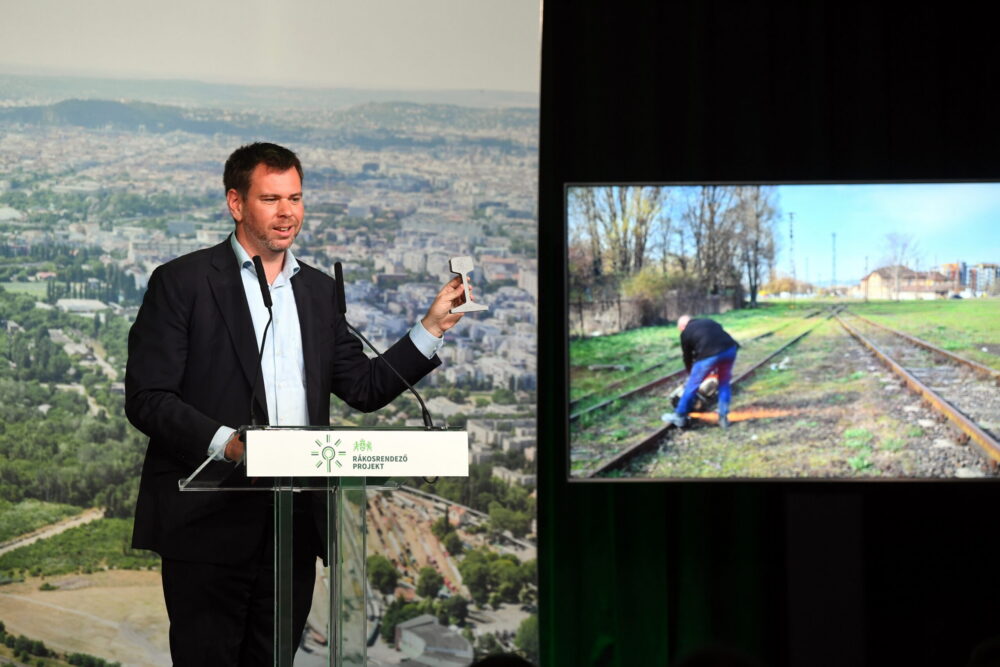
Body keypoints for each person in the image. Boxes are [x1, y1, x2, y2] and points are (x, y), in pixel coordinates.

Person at [124, 142, 468, 666]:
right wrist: (231, 445)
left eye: (296, 198)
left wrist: (432, 328)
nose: (288, 212)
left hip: (292, 528)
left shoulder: (318, 293)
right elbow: (148, 399)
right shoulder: (182, 283)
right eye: (271, 198)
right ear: (236, 204)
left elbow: (365, 388)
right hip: (208, 528)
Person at [661, 314, 738, 429]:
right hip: (729, 350)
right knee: (724, 384)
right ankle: (723, 418)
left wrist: (690, 372)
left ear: (682, 326)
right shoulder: (708, 321)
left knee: (692, 385)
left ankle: (680, 415)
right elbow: (716, 334)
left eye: (680, 329)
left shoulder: (685, 333)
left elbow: (687, 356)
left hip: (710, 355)